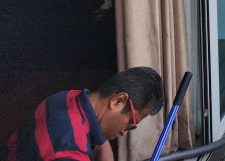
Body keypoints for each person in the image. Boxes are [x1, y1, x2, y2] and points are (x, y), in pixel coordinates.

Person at [4, 67, 164, 160]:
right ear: (118, 101)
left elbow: (98, 138)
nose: (123, 132)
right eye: (130, 123)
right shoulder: (72, 152)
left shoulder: (67, 97)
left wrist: (102, 145)